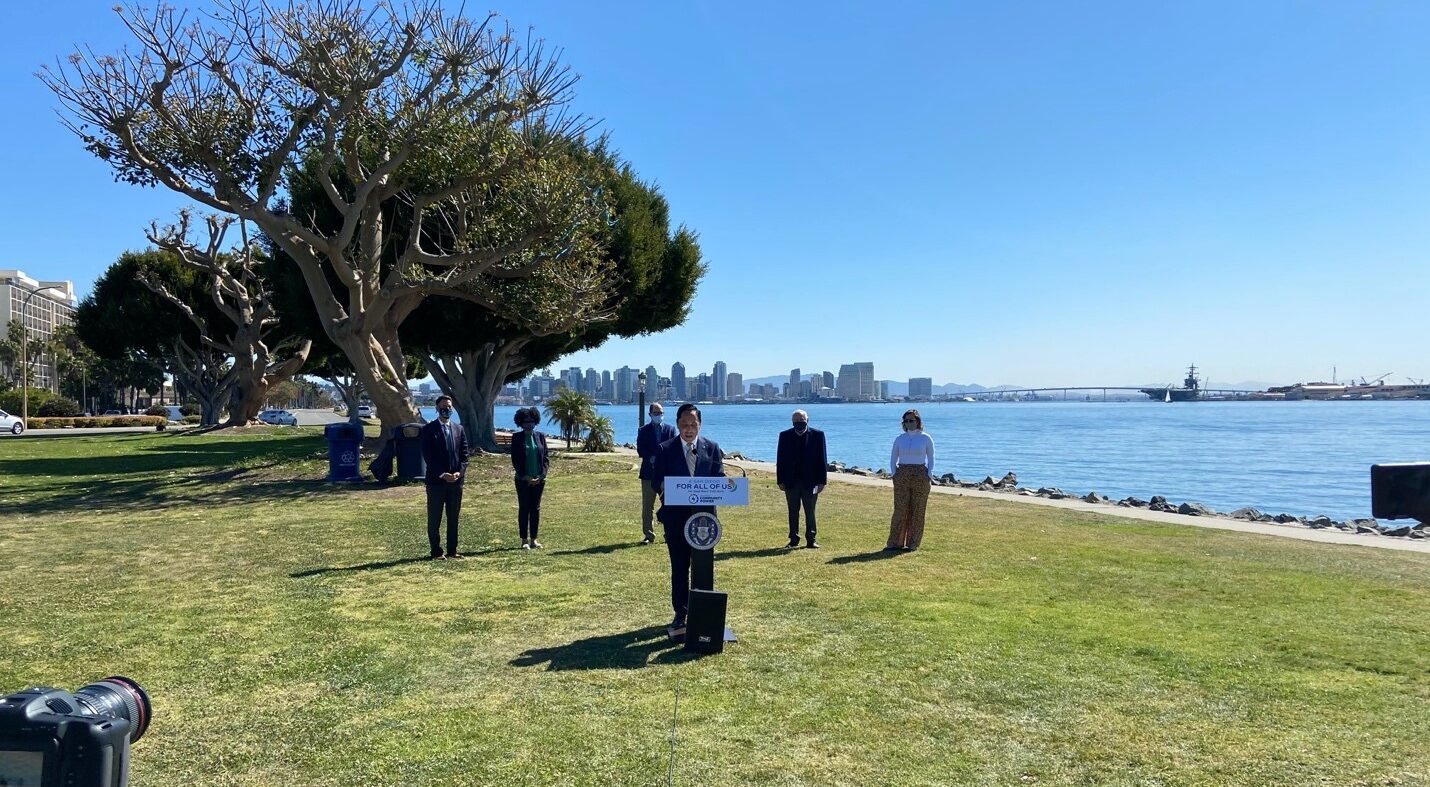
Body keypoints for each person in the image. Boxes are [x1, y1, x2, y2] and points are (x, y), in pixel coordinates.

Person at [650, 403, 723, 630]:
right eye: (684, 424)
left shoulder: (711, 448)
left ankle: (702, 610)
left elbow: (719, 478)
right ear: (678, 424)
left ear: (699, 425)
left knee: (702, 566)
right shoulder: (665, 449)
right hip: (675, 518)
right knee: (680, 566)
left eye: (693, 424)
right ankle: (680, 613)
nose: (689, 429)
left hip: (704, 519)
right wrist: (666, 488)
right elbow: (655, 481)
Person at [420, 395, 469, 559]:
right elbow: (428, 456)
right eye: (443, 407)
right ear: (437, 409)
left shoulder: (459, 429)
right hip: (436, 483)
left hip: (456, 483)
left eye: (449, 407)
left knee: (453, 517)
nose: (446, 410)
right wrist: (442, 474)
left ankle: (452, 550)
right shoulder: (428, 430)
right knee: (435, 517)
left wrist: (459, 473)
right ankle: (436, 551)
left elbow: (464, 455)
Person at [776, 409, 827, 548]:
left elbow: (822, 459)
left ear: (807, 420)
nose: (799, 423)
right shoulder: (784, 436)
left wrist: (822, 481)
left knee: (810, 510)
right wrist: (780, 480)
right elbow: (780, 459)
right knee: (793, 510)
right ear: (792, 422)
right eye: (796, 421)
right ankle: (794, 539)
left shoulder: (818, 435)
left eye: (801, 420)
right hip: (790, 481)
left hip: (811, 481)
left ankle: (811, 539)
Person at [886, 408, 934, 552]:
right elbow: (893, 457)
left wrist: (929, 474)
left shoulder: (925, 438)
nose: (909, 423)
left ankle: (913, 543)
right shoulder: (900, 439)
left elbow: (931, 458)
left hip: (920, 473)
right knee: (900, 509)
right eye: (906, 421)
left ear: (918, 421)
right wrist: (894, 473)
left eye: (911, 420)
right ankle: (895, 542)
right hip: (902, 473)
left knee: (918, 509)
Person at [636, 402, 678, 544]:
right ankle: (649, 535)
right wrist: (652, 458)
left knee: (669, 505)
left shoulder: (671, 430)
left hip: (666, 474)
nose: (659, 415)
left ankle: (669, 534)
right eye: (656, 413)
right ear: (650, 415)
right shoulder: (643, 431)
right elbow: (641, 450)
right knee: (648, 505)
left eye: (660, 413)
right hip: (648, 474)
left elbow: (674, 449)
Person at [510, 406, 550, 549]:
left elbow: (545, 458)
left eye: (532, 421)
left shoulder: (540, 436)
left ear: (536, 421)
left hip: (539, 480)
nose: (529, 424)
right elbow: (515, 460)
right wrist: (525, 477)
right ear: (521, 422)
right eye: (526, 421)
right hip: (522, 480)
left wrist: (541, 475)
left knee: (535, 508)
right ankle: (524, 540)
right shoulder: (517, 438)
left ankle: (534, 539)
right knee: (524, 508)